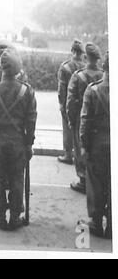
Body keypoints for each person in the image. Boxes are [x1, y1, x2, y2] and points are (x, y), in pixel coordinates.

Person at [0, 49, 37, 231]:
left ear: (2, 68)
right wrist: (29, 144)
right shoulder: (27, 91)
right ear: (17, 68)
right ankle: (15, 216)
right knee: (16, 179)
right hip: (18, 142)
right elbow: (31, 120)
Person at [79, 51, 110, 238]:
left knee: (96, 183)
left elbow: (85, 121)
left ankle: (96, 221)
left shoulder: (93, 89)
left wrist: (84, 144)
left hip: (98, 143)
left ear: (104, 66)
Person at [66, 43, 103, 194]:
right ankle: (94, 179)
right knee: (95, 149)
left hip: (81, 118)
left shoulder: (78, 76)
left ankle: (83, 179)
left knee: (80, 146)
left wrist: (70, 118)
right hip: (99, 120)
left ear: (86, 57)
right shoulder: (103, 76)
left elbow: (70, 100)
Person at [57, 39, 85, 164]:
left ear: (72, 50)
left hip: (69, 102)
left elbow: (61, 89)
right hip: (83, 104)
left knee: (68, 128)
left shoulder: (65, 67)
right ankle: (81, 155)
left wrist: (61, 104)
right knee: (81, 128)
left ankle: (68, 154)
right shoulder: (86, 66)